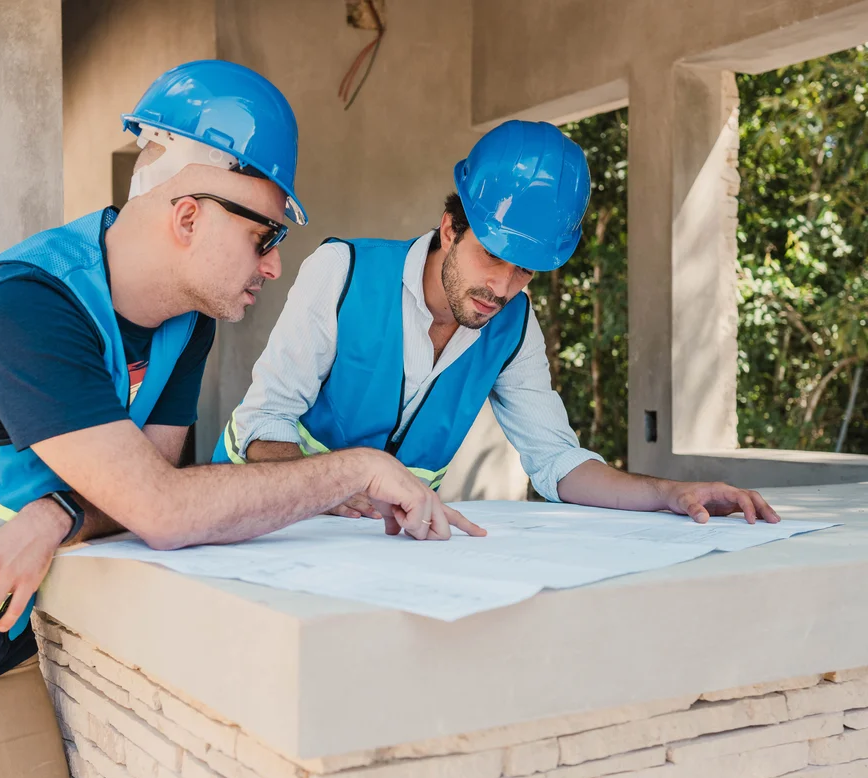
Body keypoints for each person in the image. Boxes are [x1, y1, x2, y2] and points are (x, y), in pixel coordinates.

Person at [0, 59, 475, 778]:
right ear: (188, 216)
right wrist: (353, 468)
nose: (275, 266)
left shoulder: (188, 325)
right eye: (265, 238)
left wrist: (55, 514)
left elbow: (143, 488)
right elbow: (165, 510)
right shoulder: (25, 308)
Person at [213, 120, 780, 527]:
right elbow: (267, 418)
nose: (503, 289)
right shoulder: (342, 271)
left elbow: (557, 462)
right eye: (492, 257)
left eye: (526, 271)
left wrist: (672, 494)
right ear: (449, 229)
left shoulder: (514, 329)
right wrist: (324, 491)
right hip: (261, 521)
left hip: (383, 545)